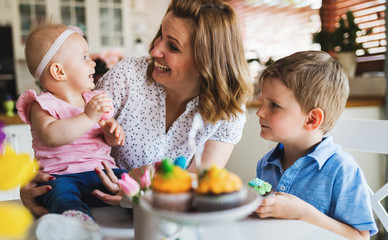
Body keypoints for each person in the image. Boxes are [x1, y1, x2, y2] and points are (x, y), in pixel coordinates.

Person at [20, 0, 253, 217]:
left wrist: (140, 192)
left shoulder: (228, 110)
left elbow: (198, 184)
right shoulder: (127, 76)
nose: (155, 50)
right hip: (101, 212)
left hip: (165, 221)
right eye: (160, 35)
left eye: (172, 46)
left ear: (206, 61)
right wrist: (41, 188)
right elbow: (70, 137)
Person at [16, 23, 127, 240]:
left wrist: (112, 134)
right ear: (58, 71)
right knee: (61, 196)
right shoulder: (42, 104)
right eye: (84, 57)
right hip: (62, 177)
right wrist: (87, 117)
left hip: (103, 174)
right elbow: (51, 135)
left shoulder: (93, 100)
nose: (93, 62)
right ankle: (78, 227)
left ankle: (146, 211)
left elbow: (106, 134)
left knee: (132, 183)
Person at [254, 51, 377, 239]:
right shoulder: (266, 165)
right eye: (263, 102)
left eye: (274, 105)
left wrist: (302, 212)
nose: (260, 112)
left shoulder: (342, 170)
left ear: (312, 119)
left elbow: (360, 237)